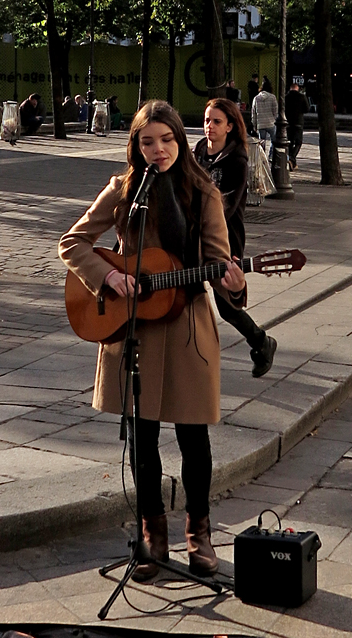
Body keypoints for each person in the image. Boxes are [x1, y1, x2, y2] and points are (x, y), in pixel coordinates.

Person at [59, 100, 246, 582]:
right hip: (134, 330)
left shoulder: (202, 191)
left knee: (193, 438)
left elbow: (221, 263)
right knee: (141, 441)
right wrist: (109, 279)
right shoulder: (123, 190)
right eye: (148, 142)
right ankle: (152, 534)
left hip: (186, 327)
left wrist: (234, 281)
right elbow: (73, 242)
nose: (158, 150)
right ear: (136, 146)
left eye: (166, 140)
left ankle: (199, 534)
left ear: (179, 143)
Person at [193, 98, 277, 378]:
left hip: (225, 238)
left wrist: (202, 224)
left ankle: (262, 342)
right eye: (206, 120)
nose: (210, 126)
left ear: (230, 126)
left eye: (216, 121)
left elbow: (228, 205)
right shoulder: (199, 151)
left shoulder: (237, 159)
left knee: (226, 305)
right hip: (193, 236)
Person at [285, 82, 311, 171]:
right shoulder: (302, 97)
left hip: (288, 123)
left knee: (290, 142)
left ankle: (292, 162)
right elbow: (307, 109)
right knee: (298, 142)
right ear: (297, 88)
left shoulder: (286, 97)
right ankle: (292, 158)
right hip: (298, 122)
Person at [252, 79, 278, 160]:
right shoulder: (272, 97)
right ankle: (270, 155)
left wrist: (254, 124)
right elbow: (275, 111)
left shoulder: (256, 98)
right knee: (274, 140)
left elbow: (254, 113)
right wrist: (274, 119)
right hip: (271, 122)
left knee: (262, 141)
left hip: (261, 123)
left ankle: (262, 158)